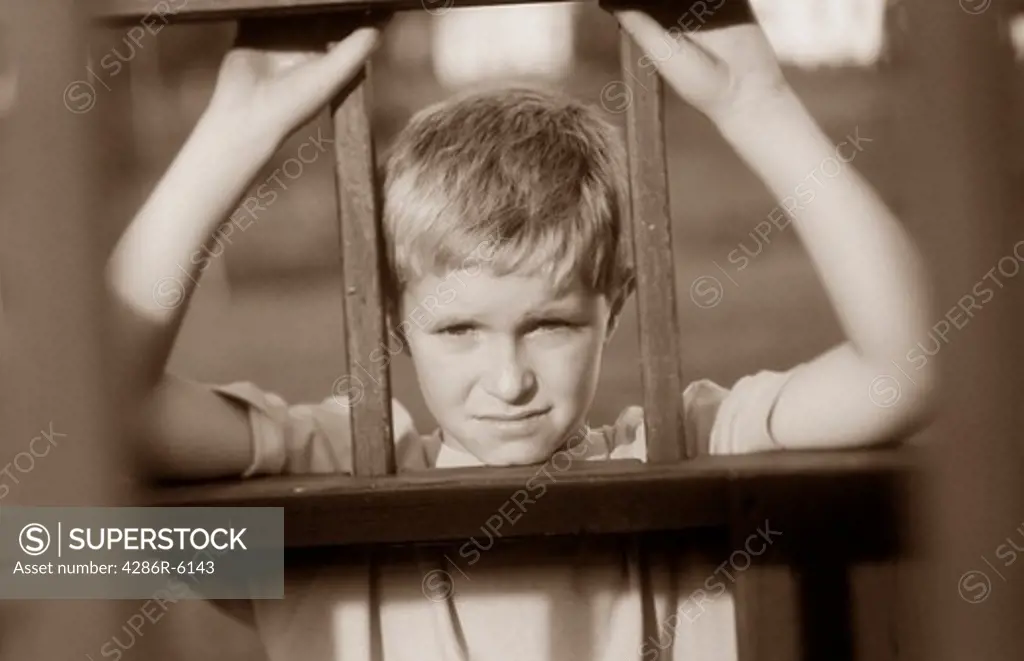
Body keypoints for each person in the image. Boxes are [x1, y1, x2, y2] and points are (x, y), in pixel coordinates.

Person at [107, 4, 937, 660]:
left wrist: (760, 106)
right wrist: (234, 129)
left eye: (550, 324)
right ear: (393, 322)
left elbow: (916, 365)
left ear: (616, 298)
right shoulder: (349, 465)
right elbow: (90, 409)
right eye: (460, 328)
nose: (509, 381)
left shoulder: (678, 445)